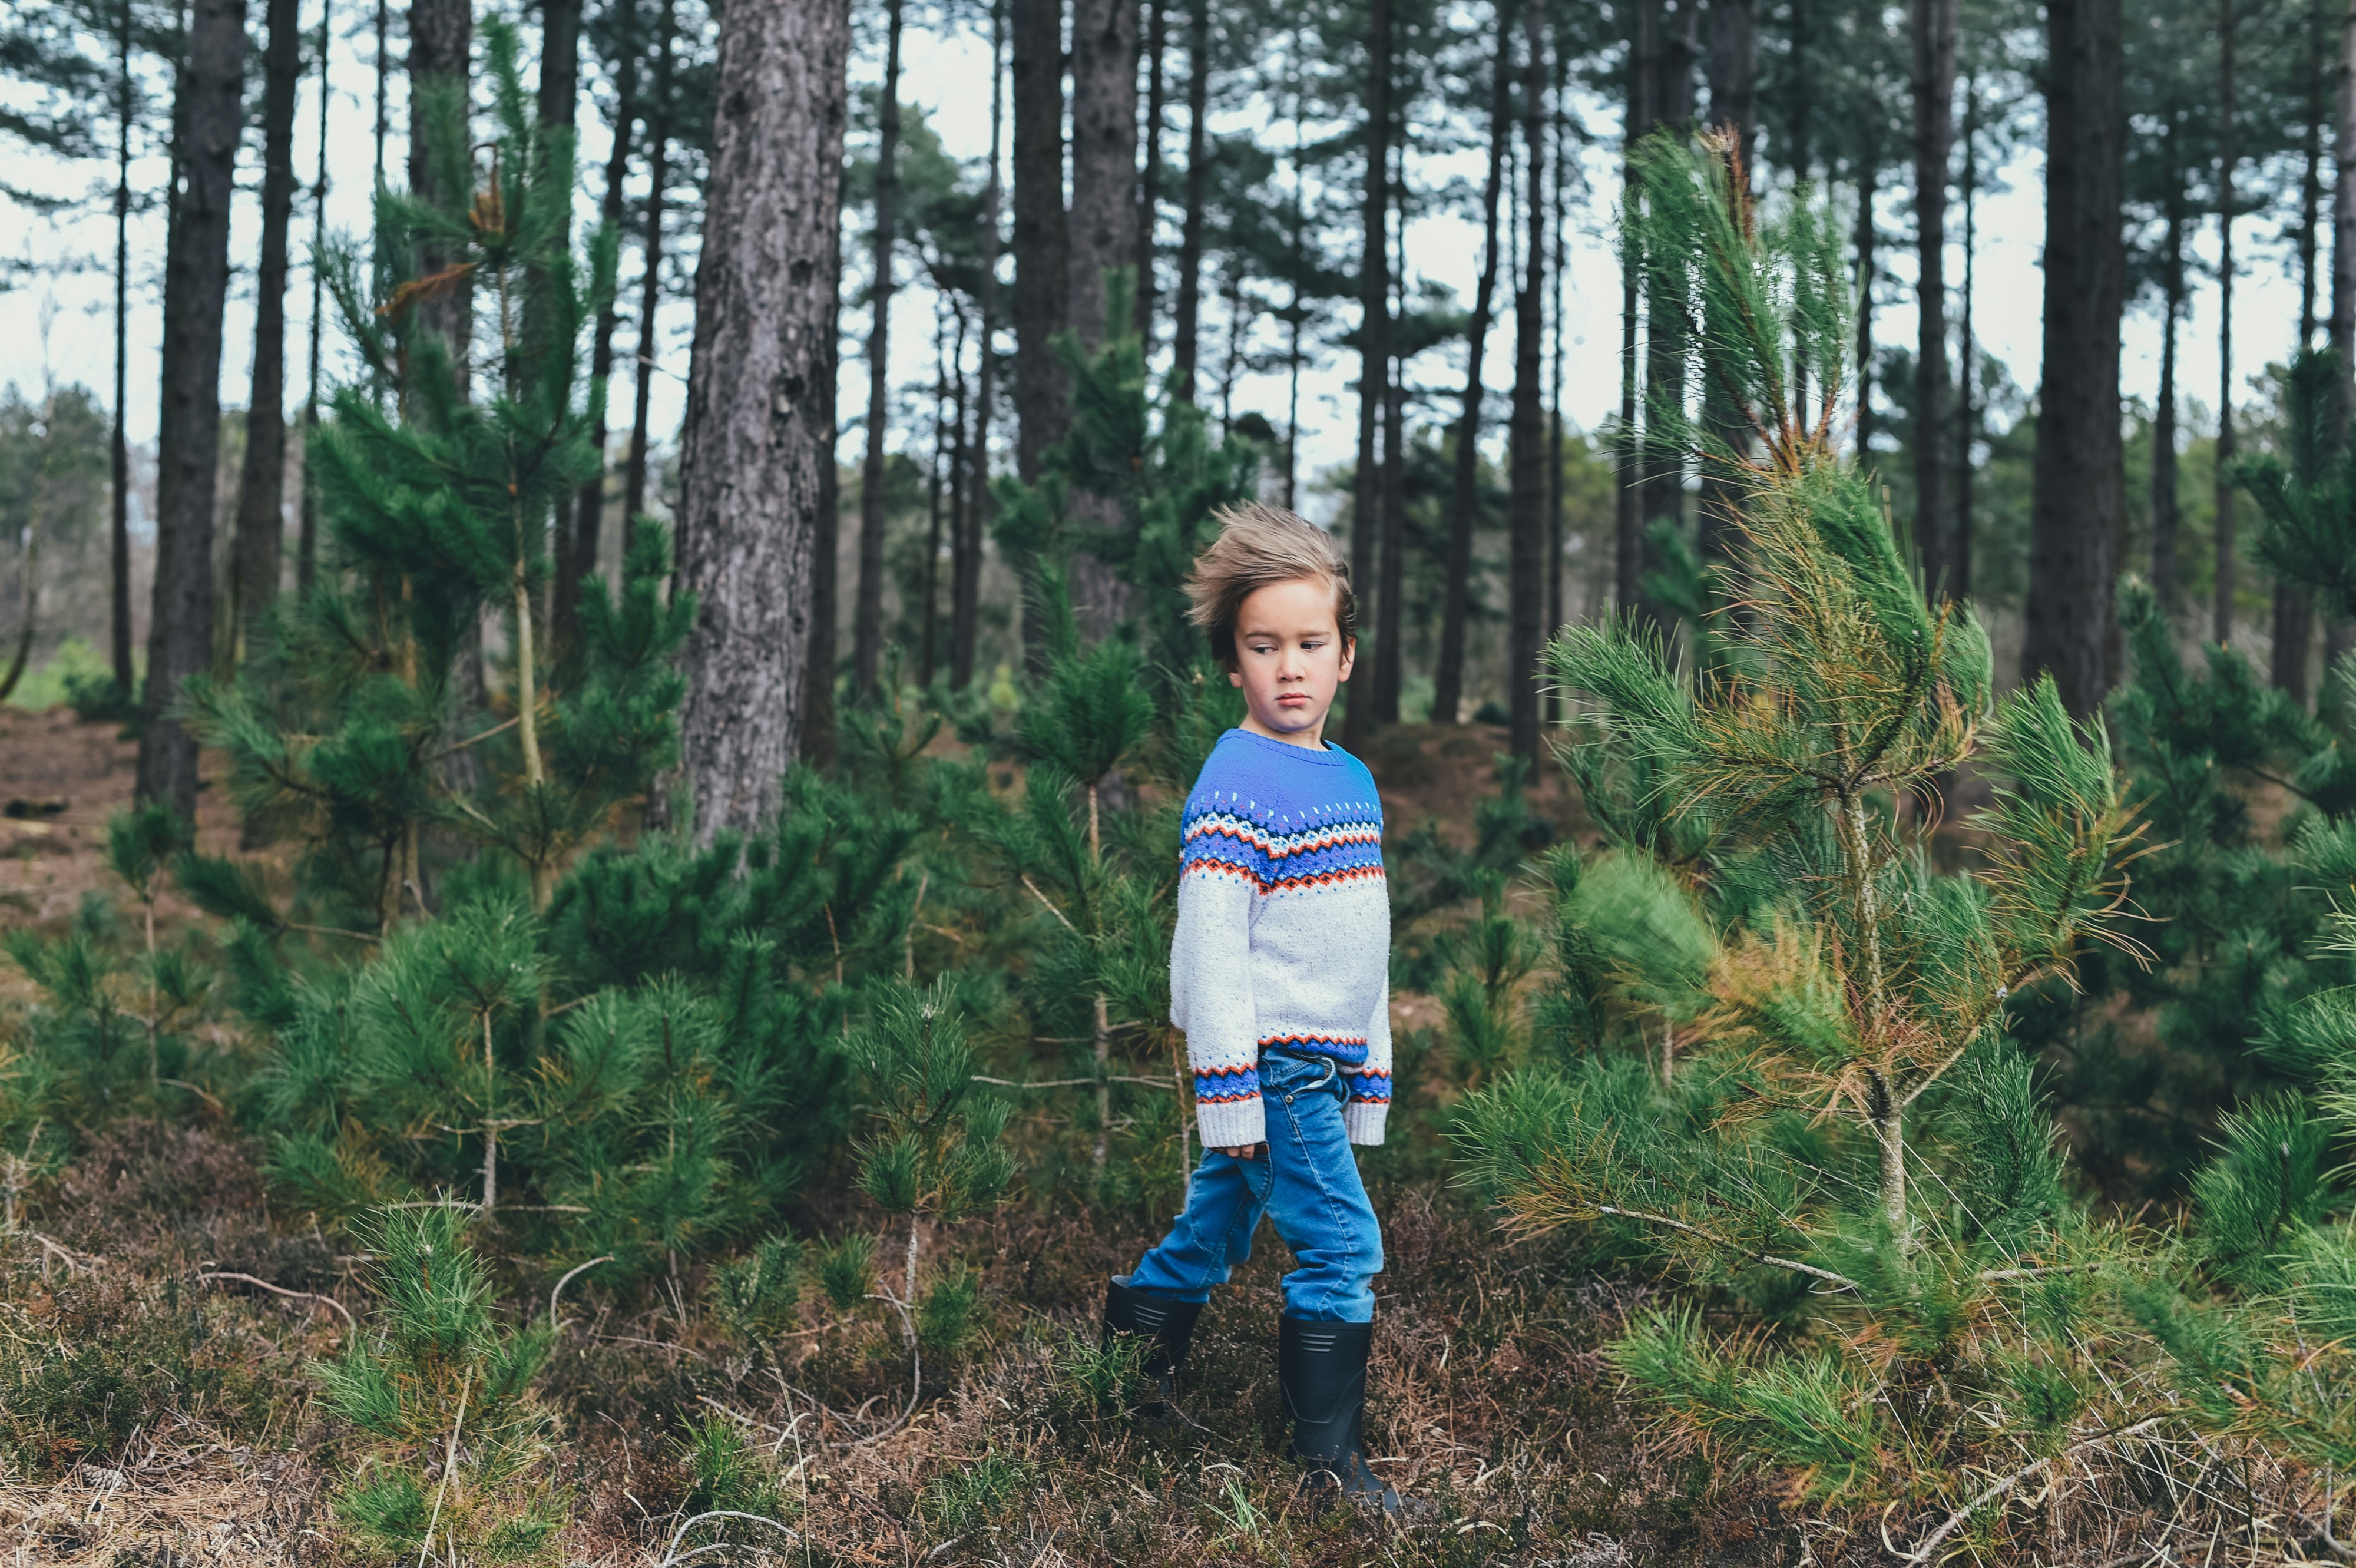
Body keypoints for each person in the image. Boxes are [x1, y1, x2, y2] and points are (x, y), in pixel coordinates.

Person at [1101, 502, 1402, 1513]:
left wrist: (1371, 1071)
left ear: (1347, 655)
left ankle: (1121, 1382)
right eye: (1263, 646)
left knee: (1215, 1229)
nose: (1290, 667)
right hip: (1268, 1063)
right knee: (1344, 1245)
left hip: (1319, 1057)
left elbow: (1365, 939)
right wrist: (1230, 1096)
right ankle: (1327, 1470)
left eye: (1310, 644)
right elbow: (1214, 950)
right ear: (1233, 661)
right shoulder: (1235, 779)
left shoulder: (1349, 776)